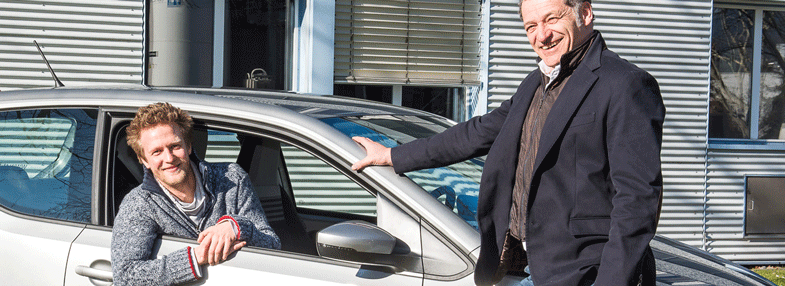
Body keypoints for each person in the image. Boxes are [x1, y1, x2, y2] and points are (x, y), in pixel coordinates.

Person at [351, 0, 665, 285]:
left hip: (584, 272)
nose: (542, 36)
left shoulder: (625, 84)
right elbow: (477, 133)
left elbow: (638, 200)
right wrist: (394, 155)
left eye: (551, 19)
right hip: (531, 268)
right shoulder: (536, 83)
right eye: (531, 26)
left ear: (584, 13)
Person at [111, 102, 280, 285]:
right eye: (157, 152)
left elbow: (272, 245)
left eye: (175, 146)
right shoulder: (139, 205)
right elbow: (126, 277)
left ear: (189, 146)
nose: (169, 158)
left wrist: (236, 227)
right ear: (144, 160)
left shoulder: (233, 178)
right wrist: (195, 257)